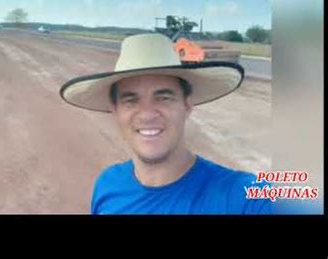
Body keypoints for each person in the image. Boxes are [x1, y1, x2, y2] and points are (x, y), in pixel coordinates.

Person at [59, 33, 271, 214]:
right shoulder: (106, 186)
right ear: (115, 111)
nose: (147, 114)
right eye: (130, 100)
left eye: (163, 97)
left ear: (187, 106)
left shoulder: (242, 197)